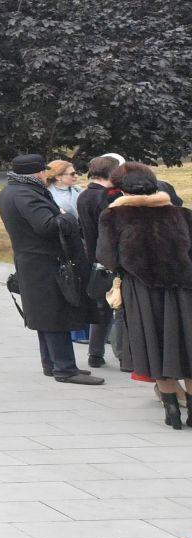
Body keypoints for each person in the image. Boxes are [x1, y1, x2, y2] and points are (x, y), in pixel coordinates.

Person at [95, 163, 192, 428]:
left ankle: (171, 410)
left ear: (122, 188)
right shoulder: (182, 214)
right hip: (183, 291)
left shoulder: (113, 217)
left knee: (155, 345)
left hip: (142, 293)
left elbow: (107, 257)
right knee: (188, 346)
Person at [0, 152, 99, 384]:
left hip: (33, 262)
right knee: (55, 315)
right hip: (44, 263)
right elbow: (46, 226)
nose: (45, 175)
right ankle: (65, 369)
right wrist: (69, 217)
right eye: (43, 171)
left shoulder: (12, 191)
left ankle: (52, 364)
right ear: (37, 172)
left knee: (45, 315)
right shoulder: (25, 194)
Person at [77, 155, 123, 369]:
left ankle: (95, 353)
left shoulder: (84, 195)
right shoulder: (106, 197)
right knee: (120, 306)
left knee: (102, 308)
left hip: (93, 257)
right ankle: (124, 354)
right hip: (110, 257)